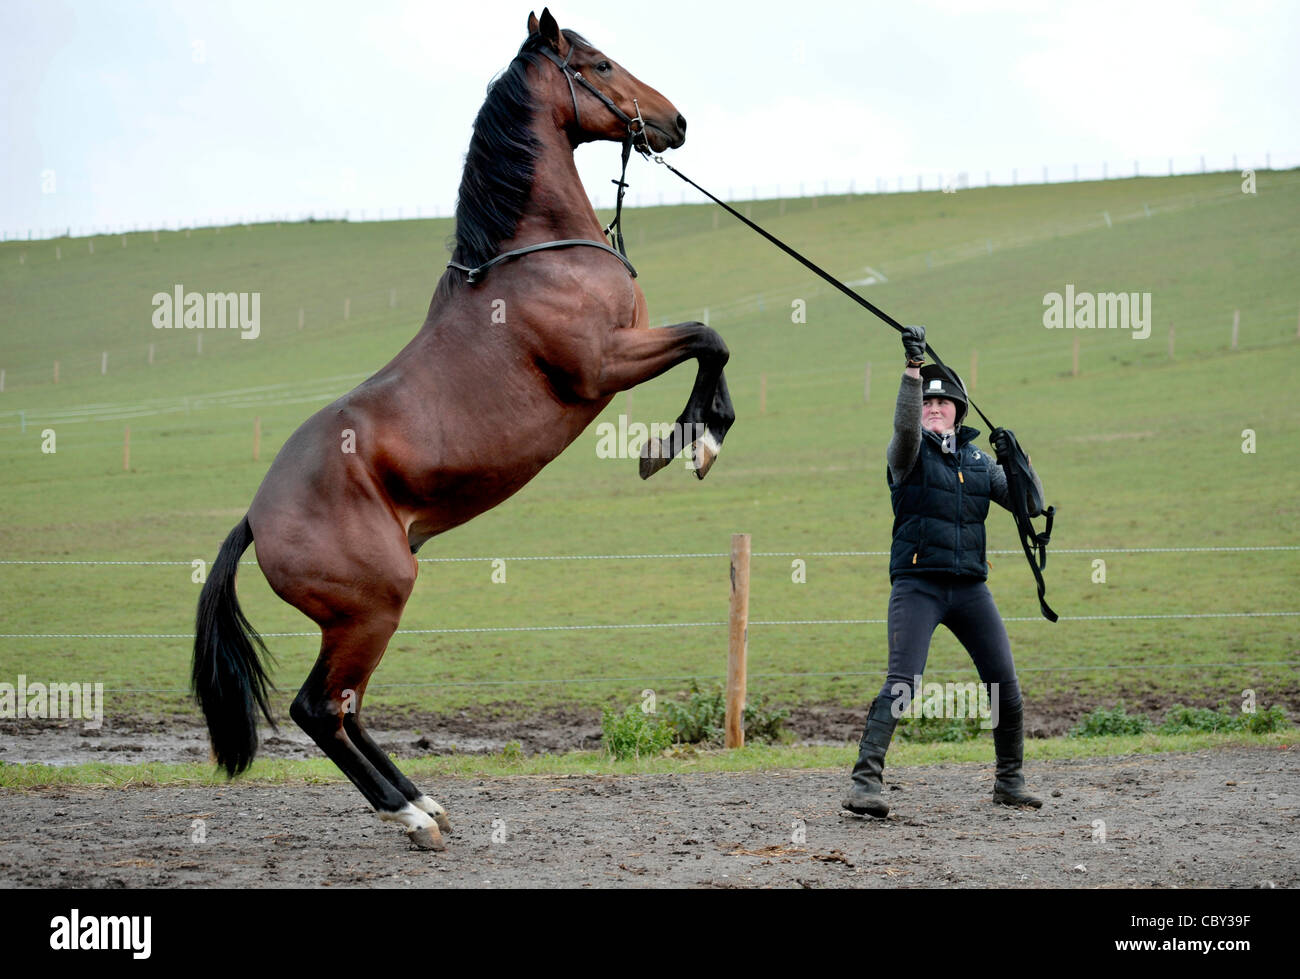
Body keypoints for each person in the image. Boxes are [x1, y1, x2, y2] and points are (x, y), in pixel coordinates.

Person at [843, 324, 1044, 817]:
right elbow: (905, 428)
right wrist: (912, 372)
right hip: (918, 584)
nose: (935, 409)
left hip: (971, 587)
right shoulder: (907, 455)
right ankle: (865, 784)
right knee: (902, 683)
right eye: (929, 403)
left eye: (943, 404)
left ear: (959, 412)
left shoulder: (979, 463)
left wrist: (1015, 460)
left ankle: (1009, 781)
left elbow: (1032, 506)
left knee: (1005, 685)